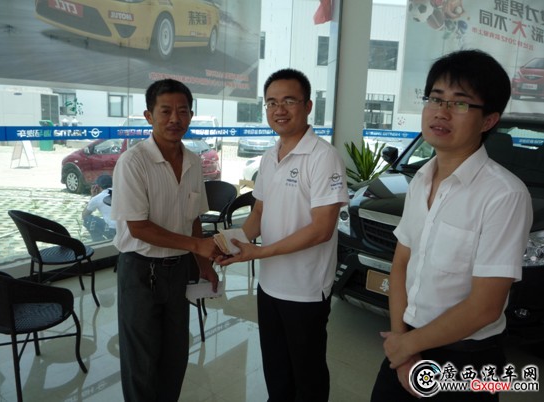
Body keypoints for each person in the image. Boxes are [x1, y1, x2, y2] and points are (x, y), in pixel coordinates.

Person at [370, 50, 533, 401]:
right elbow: (401, 265)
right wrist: (402, 345)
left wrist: (406, 346)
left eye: (460, 103)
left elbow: (486, 306)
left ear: (488, 120)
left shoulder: (504, 195)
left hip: (466, 361)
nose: (441, 112)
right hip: (406, 342)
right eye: (435, 98)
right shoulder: (420, 179)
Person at [218, 68, 349, 402]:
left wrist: (259, 252)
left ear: (307, 106)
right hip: (270, 285)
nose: (279, 109)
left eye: (289, 101)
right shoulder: (269, 156)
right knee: (276, 370)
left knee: (307, 376)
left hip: (305, 289)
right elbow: (258, 214)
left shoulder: (323, 157)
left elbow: (322, 229)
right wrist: (232, 244)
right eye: (272, 102)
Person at [111, 78, 220, 402]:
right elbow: (138, 227)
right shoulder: (133, 162)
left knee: (175, 354)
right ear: (149, 116)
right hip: (139, 270)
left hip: (178, 270)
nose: (175, 119)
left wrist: (204, 264)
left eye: (183, 111)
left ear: (191, 115)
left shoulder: (193, 161)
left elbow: (194, 218)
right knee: (141, 362)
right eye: (166, 111)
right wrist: (197, 246)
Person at [82, 174, 116, 242]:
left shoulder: (97, 198)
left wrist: (93, 196)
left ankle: (98, 241)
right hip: (126, 229)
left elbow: (84, 215)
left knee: (88, 220)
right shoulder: (121, 193)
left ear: (97, 187)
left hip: (113, 229)